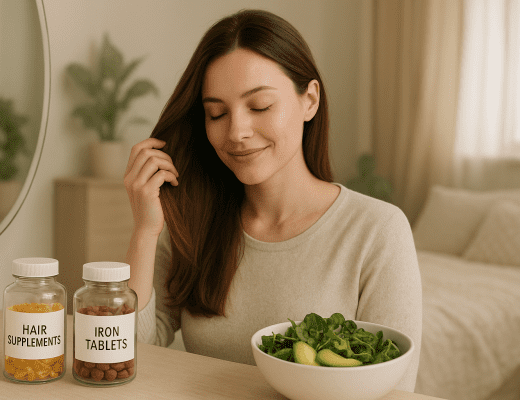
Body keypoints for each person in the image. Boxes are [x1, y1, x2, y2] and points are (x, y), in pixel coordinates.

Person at [123, 9, 422, 392]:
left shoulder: (377, 230)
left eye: (260, 106)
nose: (237, 131)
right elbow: (127, 350)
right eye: (216, 113)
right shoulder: (193, 220)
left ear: (309, 101)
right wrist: (144, 231)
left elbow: (394, 389)